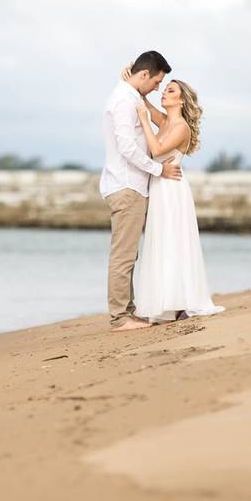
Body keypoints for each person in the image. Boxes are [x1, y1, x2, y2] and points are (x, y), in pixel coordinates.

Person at [100, 51, 182, 333]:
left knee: (128, 253)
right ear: (144, 75)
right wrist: (159, 170)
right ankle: (120, 317)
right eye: (157, 82)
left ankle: (128, 312)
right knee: (124, 255)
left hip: (130, 184)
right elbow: (127, 147)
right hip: (127, 185)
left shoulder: (132, 97)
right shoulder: (124, 100)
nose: (158, 88)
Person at [131, 76, 225, 323]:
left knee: (174, 241)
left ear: (180, 100)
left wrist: (143, 121)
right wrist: (133, 82)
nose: (163, 93)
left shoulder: (181, 127)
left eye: (170, 90)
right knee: (162, 241)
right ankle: (167, 302)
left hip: (172, 190)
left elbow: (157, 151)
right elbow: (146, 105)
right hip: (160, 186)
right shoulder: (164, 121)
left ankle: (180, 301)